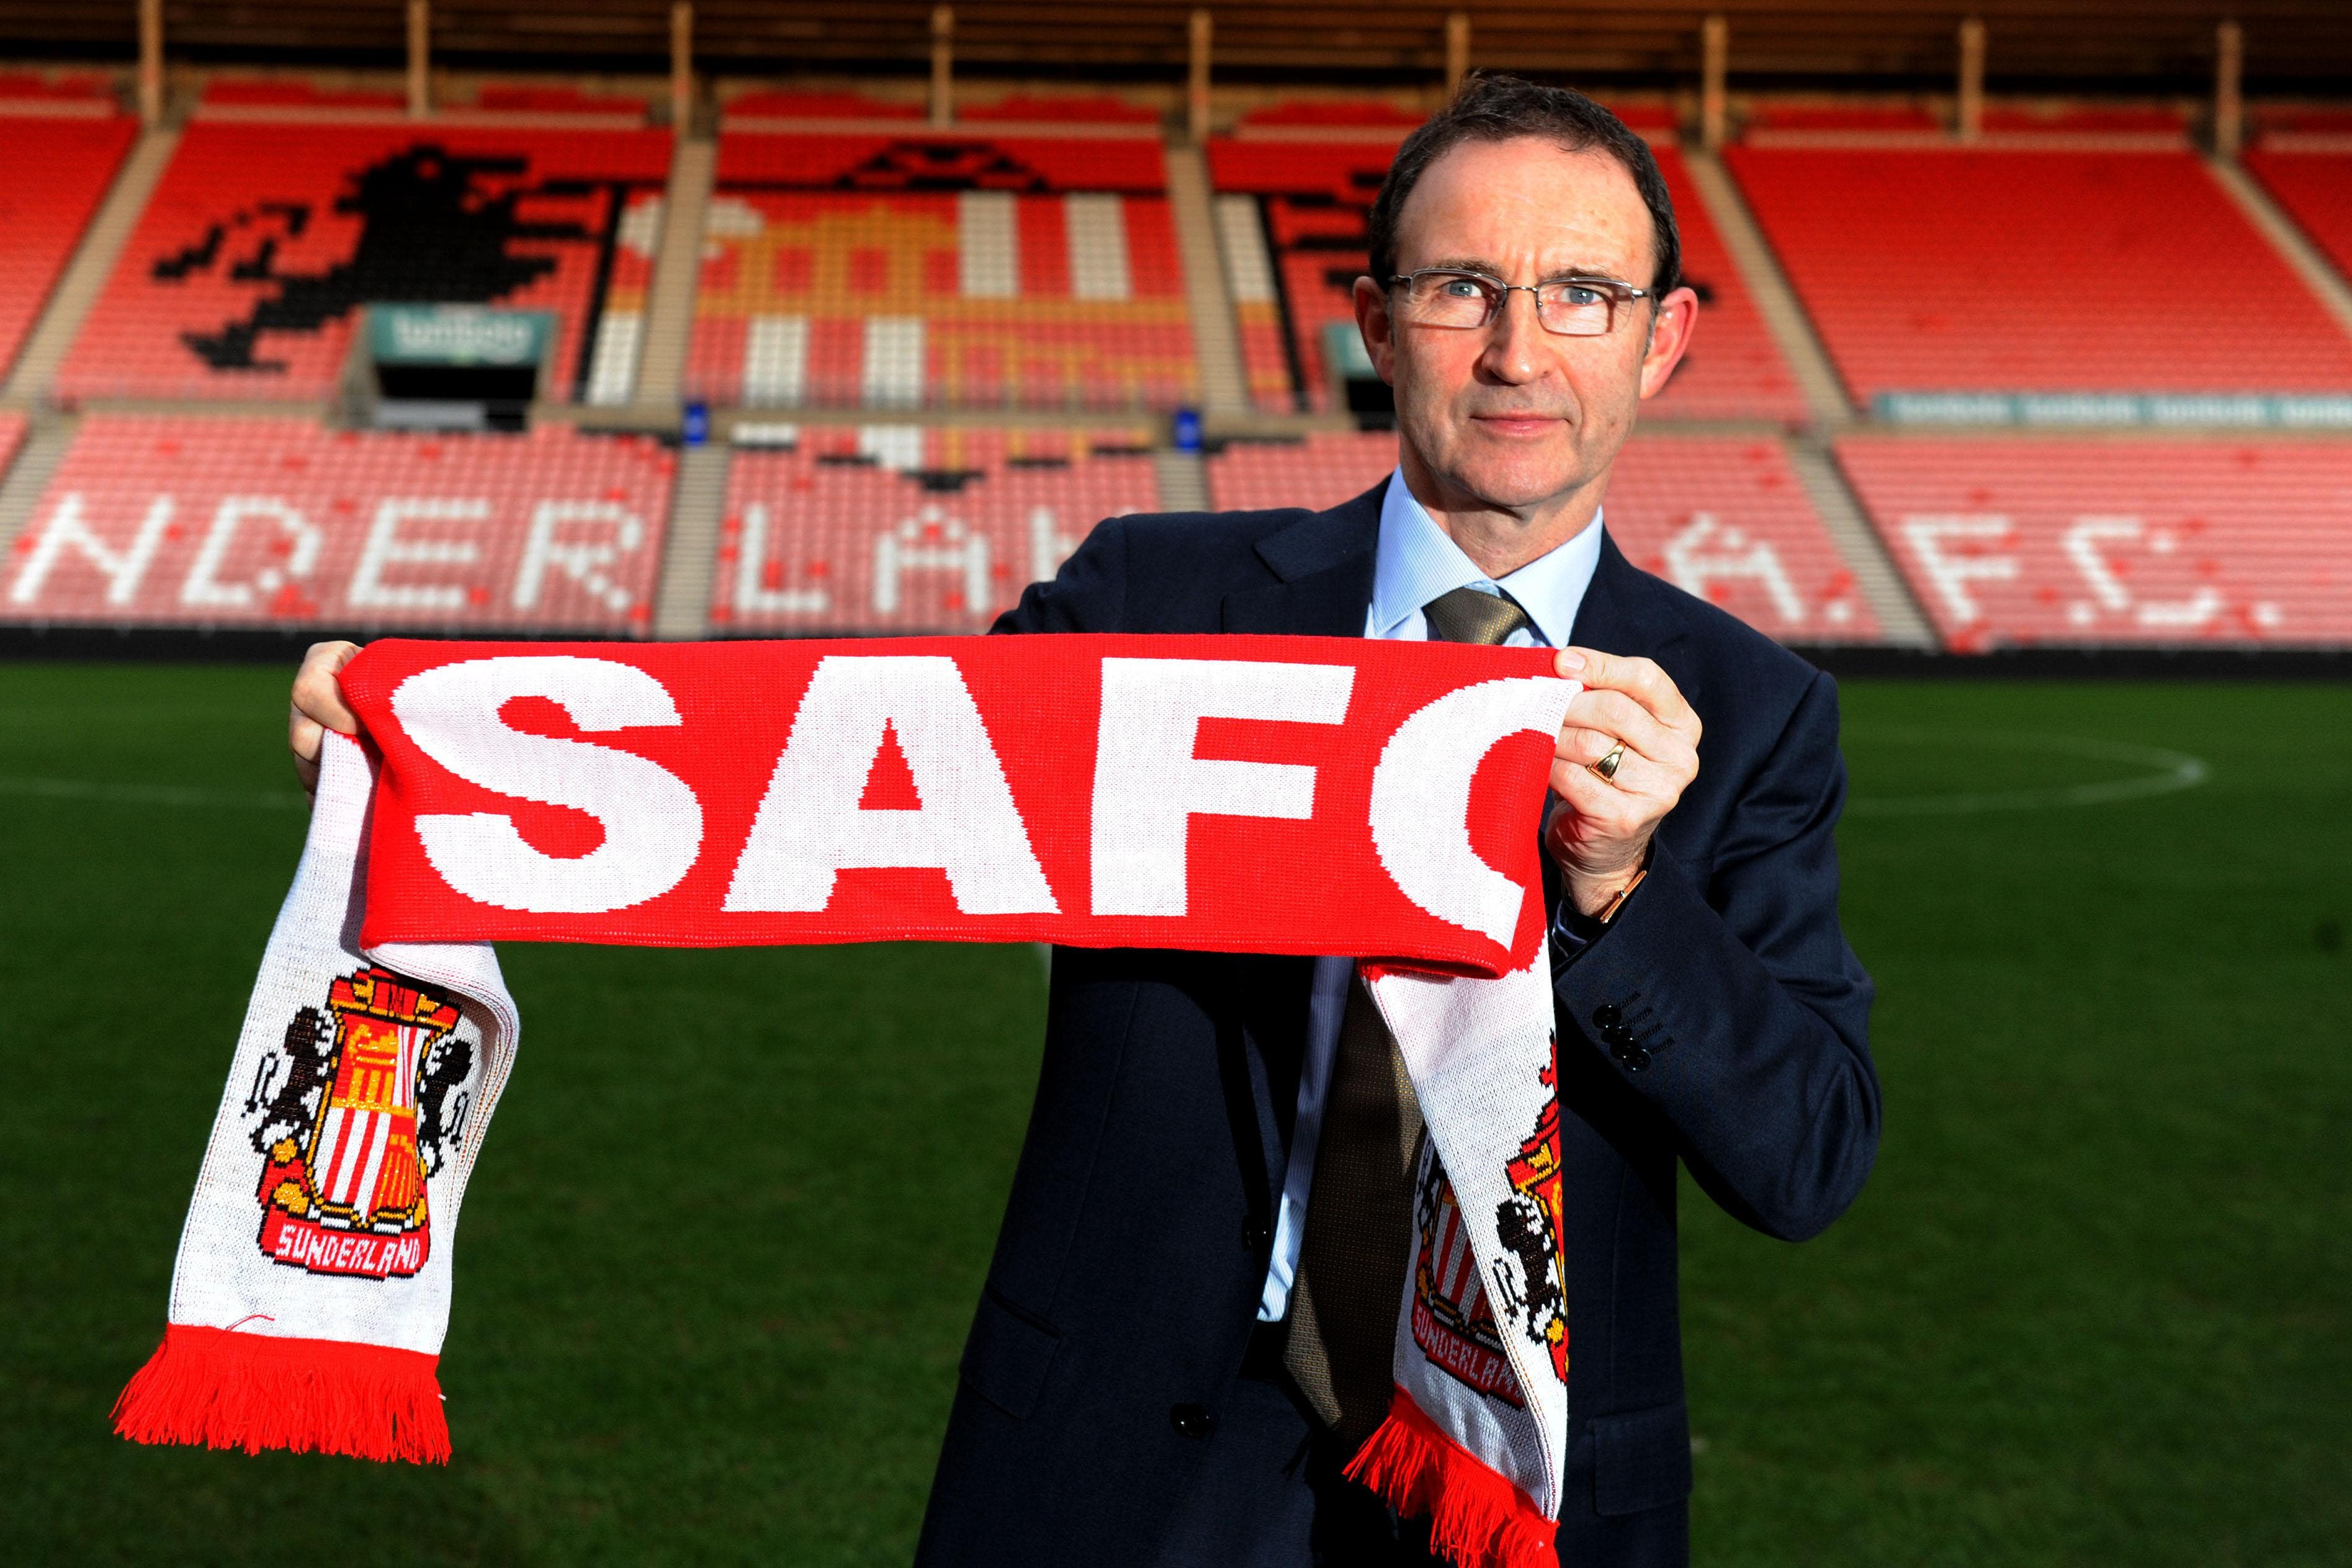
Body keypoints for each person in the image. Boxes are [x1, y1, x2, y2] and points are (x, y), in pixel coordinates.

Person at [288, 75, 1878, 1568]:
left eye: (1580, 295)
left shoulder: (1740, 713)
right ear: (1373, 324)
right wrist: (451, 751)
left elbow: (1807, 1155)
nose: (1518, 350)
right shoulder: (1151, 604)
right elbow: (817, 763)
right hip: (1106, 1460)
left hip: (1513, 1484)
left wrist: (1618, 891)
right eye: (1459, 286)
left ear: (1661, 339)